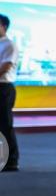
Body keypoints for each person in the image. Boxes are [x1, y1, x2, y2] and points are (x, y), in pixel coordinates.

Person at [0, 12, 16, 172]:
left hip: (4, 88)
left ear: (4, 26)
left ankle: (11, 161)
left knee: (5, 125)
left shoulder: (9, 44)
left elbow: (6, 66)